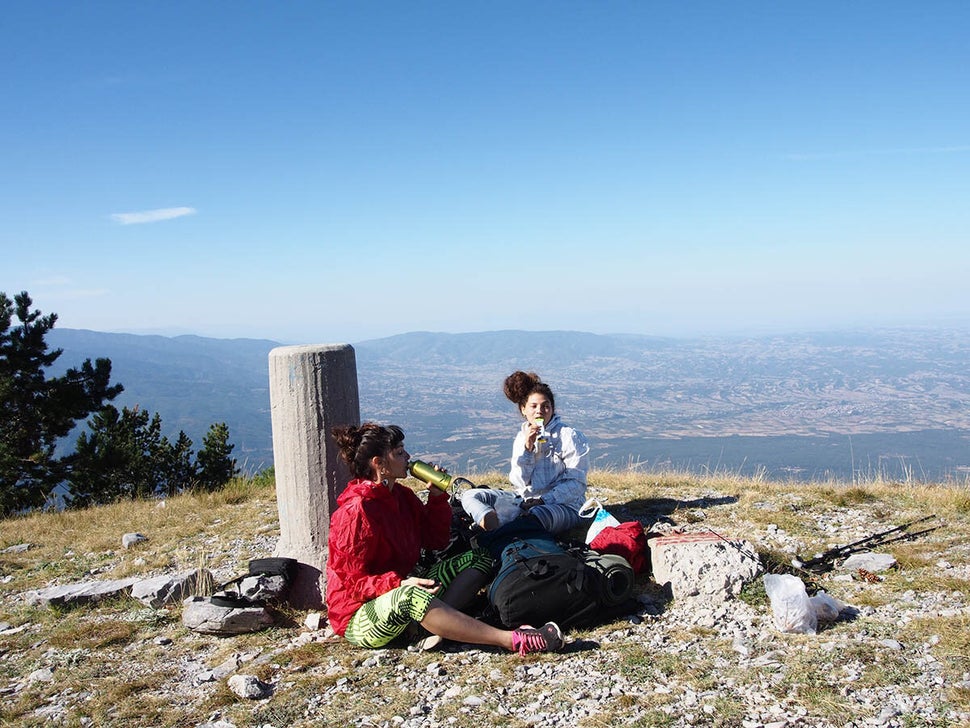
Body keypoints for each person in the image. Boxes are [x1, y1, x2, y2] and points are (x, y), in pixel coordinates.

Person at [325, 421, 564, 655]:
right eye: (399, 452)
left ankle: (429, 626)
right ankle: (511, 640)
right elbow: (353, 583)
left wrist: (437, 499)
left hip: (403, 586)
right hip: (358, 614)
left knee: (480, 556)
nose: (408, 456)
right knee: (410, 597)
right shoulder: (355, 512)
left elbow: (435, 541)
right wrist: (397, 584)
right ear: (379, 464)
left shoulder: (401, 496)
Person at [460, 371, 590, 534]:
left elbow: (577, 484)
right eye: (533, 406)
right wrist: (527, 449)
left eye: (546, 406)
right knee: (471, 495)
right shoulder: (522, 437)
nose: (540, 411)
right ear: (523, 409)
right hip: (524, 500)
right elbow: (518, 481)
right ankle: (491, 524)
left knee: (536, 515)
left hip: (561, 506)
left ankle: (496, 534)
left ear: (552, 408)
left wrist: (543, 500)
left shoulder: (568, 436)